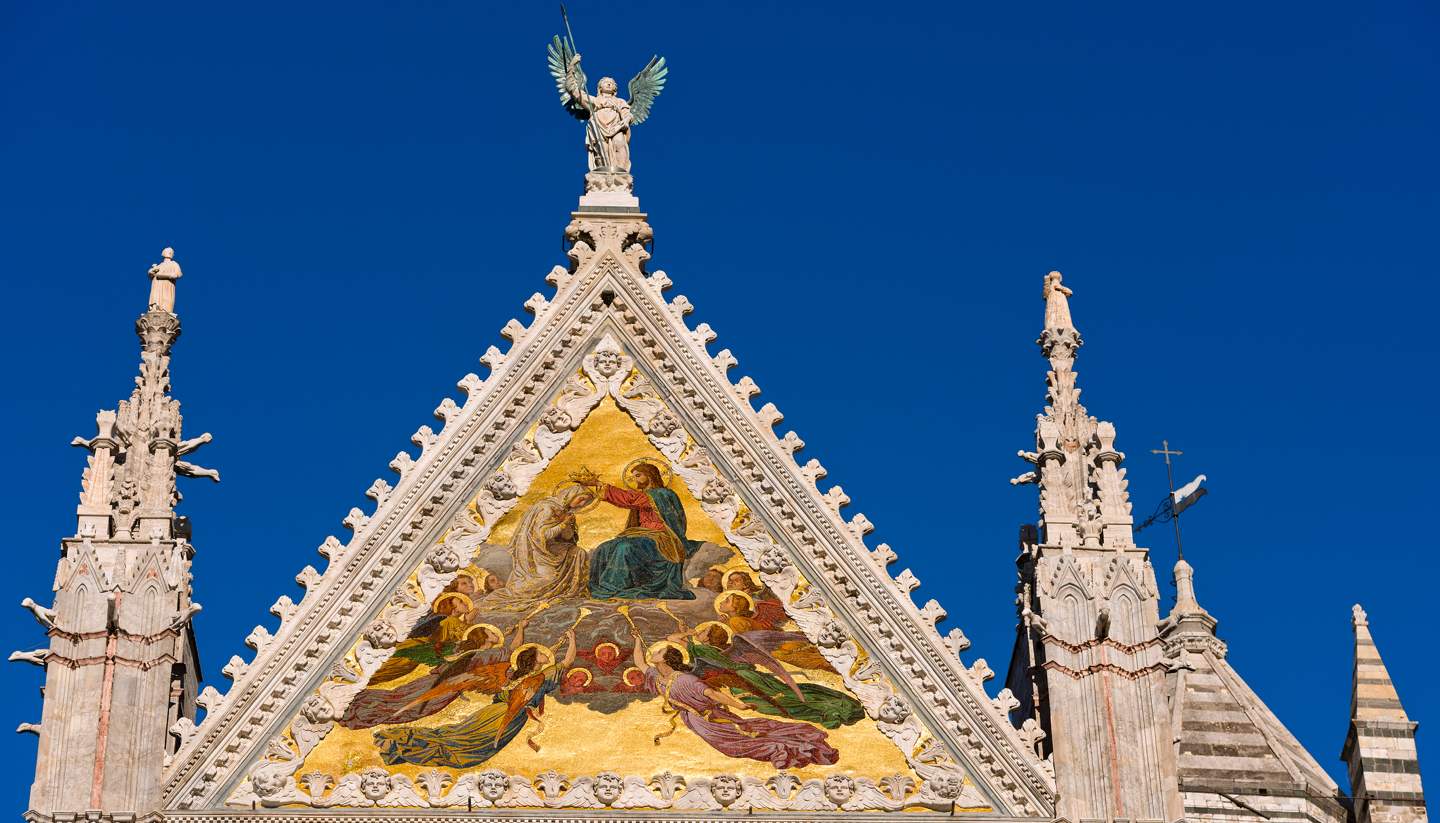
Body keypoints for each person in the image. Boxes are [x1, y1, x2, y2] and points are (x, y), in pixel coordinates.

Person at [632, 629, 839, 769]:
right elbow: (639, 662)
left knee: (736, 743)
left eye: (659, 651)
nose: (655, 651)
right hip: (696, 721)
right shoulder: (657, 677)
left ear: (667, 659)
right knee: (736, 742)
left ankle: (783, 748)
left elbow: (711, 694)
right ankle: (781, 744)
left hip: (710, 719)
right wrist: (636, 640)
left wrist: (738, 704)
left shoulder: (685, 679)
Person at [375, 627, 578, 767]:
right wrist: (572, 639)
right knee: (471, 743)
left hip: (492, 712)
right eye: (540, 653)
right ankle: (403, 745)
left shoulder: (512, 674)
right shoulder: (542, 676)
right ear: (534, 660)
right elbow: (567, 661)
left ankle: (402, 743)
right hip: (508, 716)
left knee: (457, 734)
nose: (545, 653)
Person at [573, 462, 701, 600]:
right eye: (634, 477)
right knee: (604, 548)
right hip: (640, 535)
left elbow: (630, 499)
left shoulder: (662, 494)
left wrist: (598, 483)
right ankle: (596, 586)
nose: (635, 480)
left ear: (650, 476)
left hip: (662, 537)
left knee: (624, 547)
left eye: (638, 475)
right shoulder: (646, 495)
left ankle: (613, 588)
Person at [482, 485, 593, 611]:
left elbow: (567, 538)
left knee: (579, 553)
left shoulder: (566, 512)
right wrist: (564, 524)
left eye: (586, 502)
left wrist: (569, 527)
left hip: (553, 549)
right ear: (572, 494)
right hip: (536, 553)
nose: (582, 504)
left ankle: (573, 590)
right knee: (548, 578)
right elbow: (541, 536)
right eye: (581, 499)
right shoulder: (547, 508)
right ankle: (512, 594)